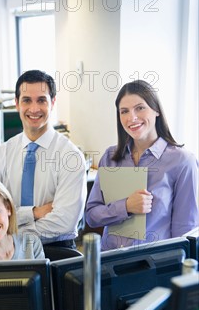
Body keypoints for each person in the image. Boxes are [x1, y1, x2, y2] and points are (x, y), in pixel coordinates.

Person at [85, 80, 198, 250]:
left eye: (140, 108)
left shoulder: (182, 161)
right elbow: (92, 216)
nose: (132, 117)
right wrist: (126, 206)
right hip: (109, 262)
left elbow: (185, 231)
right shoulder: (110, 157)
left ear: (156, 110)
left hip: (155, 266)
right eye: (124, 111)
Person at [0, 70, 87, 248]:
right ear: (16, 104)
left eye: (41, 100)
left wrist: (10, 233)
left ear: (52, 102)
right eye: (26, 100)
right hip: (5, 252)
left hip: (55, 252)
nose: (34, 109)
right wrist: (34, 213)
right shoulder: (0, 155)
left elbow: (64, 222)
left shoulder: (70, 157)